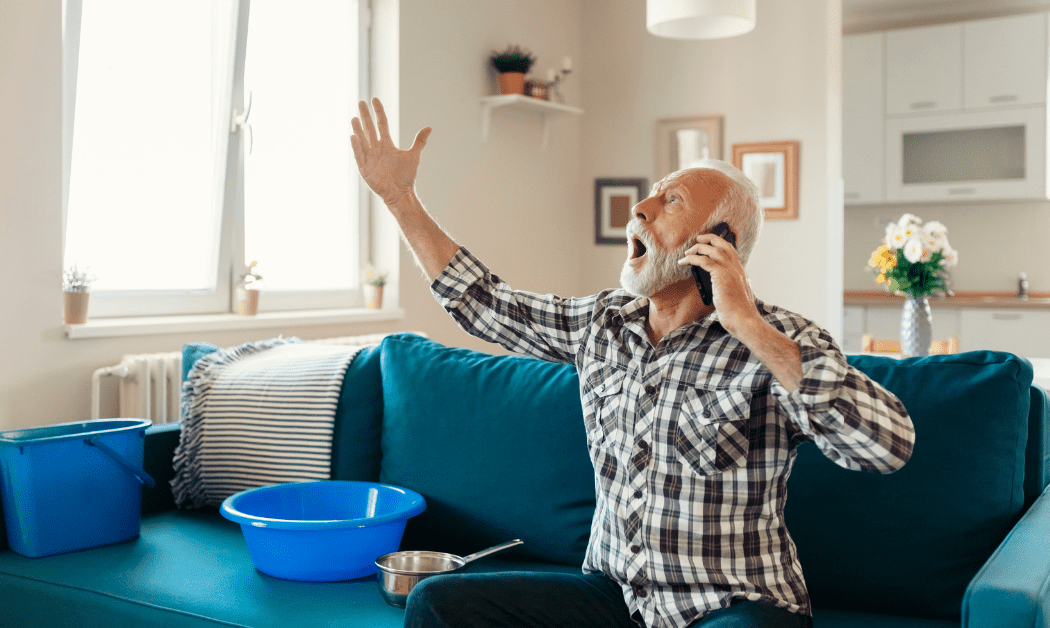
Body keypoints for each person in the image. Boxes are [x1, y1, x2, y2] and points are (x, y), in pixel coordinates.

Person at [350, 98, 914, 628]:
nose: (639, 209)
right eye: (649, 196)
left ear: (717, 241)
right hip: (616, 598)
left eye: (670, 202)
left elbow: (886, 448)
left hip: (734, 605)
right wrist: (400, 199)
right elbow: (484, 304)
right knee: (438, 604)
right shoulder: (601, 322)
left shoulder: (782, 340)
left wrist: (747, 325)